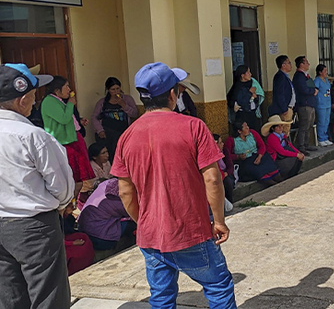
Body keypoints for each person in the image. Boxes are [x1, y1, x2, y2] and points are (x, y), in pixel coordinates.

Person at [110, 62, 236, 308]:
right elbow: (212, 178)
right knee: (218, 287)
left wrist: (146, 222)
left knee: (162, 297)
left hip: (150, 237)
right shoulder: (193, 126)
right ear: (172, 94)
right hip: (191, 230)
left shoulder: (127, 136)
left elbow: (125, 191)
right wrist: (219, 221)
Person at [0, 63, 75, 308]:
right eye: (33, 96)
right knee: (48, 295)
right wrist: (62, 204)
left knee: (9, 295)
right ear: (22, 100)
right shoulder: (32, 136)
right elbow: (62, 187)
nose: (35, 102)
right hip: (34, 226)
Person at [41, 76, 96, 196]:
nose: (69, 89)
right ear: (57, 90)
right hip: (64, 143)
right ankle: (69, 204)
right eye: (66, 86)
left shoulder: (59, 100)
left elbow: (67, 119)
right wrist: (71, 104)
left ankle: (74, 202)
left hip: (73, 139)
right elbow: (64, 119)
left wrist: (79, 122)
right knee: (72, 179)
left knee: (78, 180)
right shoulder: (49, 101)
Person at [77, 178, 136, 251]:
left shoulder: (105, 184)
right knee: (134, 222)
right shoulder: (119, 201)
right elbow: (135, 213)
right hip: (101, 239)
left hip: (85, 231)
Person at [91, 77, 138, 162]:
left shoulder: (127, 99)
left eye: (118, 89)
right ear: (108, 90)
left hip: (122, 132)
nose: (116, 92)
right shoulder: (102, 102)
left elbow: (134, 113)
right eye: (113, 89)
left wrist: (124, 105)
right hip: (107, 134)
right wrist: (100, 130)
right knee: (110, 155)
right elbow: (94, 117)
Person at [224, 120, 282, 185]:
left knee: (269, 164)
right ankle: (273, 184)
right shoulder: (231, 140)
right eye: (245, 127)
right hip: (245, 162)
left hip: (257, 156)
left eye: (247, 126)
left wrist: (260, 156)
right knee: (258, 171)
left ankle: (279, 181)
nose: (248, 128)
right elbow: (227, 155)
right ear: (239, 131)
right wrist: (238, 156)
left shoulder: (253, 133)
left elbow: (262, 145)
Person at [292, 56, 319, 154]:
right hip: (304, 104)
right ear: (301, 64)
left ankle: (307, 144)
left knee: (310, 125)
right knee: (304, 125)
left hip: (310, 103)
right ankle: (301, 145)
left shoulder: (306, 76)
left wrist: (314, 90)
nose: (308, 64)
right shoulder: (299, 76)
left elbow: (311, 85)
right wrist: (313, 91)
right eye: (306, 62)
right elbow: (303, 89)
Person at [227, 65, 262, 133]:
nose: (250, 74)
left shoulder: (252, 83)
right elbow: (240, 101)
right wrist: (249, 93)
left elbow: (257, 98)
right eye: (248, 72)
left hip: (253, 114)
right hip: (243, 115)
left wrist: (255, 97)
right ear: (242, 75)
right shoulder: (238, 86)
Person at [268, 55, 296, 135]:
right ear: (283, 65)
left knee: (287, 128)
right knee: (284, 129)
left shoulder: (285, 76)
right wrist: (284, 108)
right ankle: (283, 146)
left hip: (289, 107)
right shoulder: (280, 77)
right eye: (289, 63)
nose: (291, 65)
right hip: (285, 109)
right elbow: (279, 94)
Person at [212, 134, 236, 205]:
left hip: (226, 174)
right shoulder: (211, 155)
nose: (222, 144)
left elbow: (230, 166)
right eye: (220, 143)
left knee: (228, 182)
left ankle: (230, 203)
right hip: (217, 175)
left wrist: (226, 173)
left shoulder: (225, 151)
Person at [314, 64, 333, 147]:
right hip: (321, 103)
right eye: (324, 71)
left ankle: (325, 137)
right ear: (320, 72)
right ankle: (320, 138)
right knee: (321, 121)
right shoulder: (317, 80)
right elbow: (315, 92)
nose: (326, 72)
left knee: (326, 121)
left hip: (327, 102)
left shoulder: (326, 80)